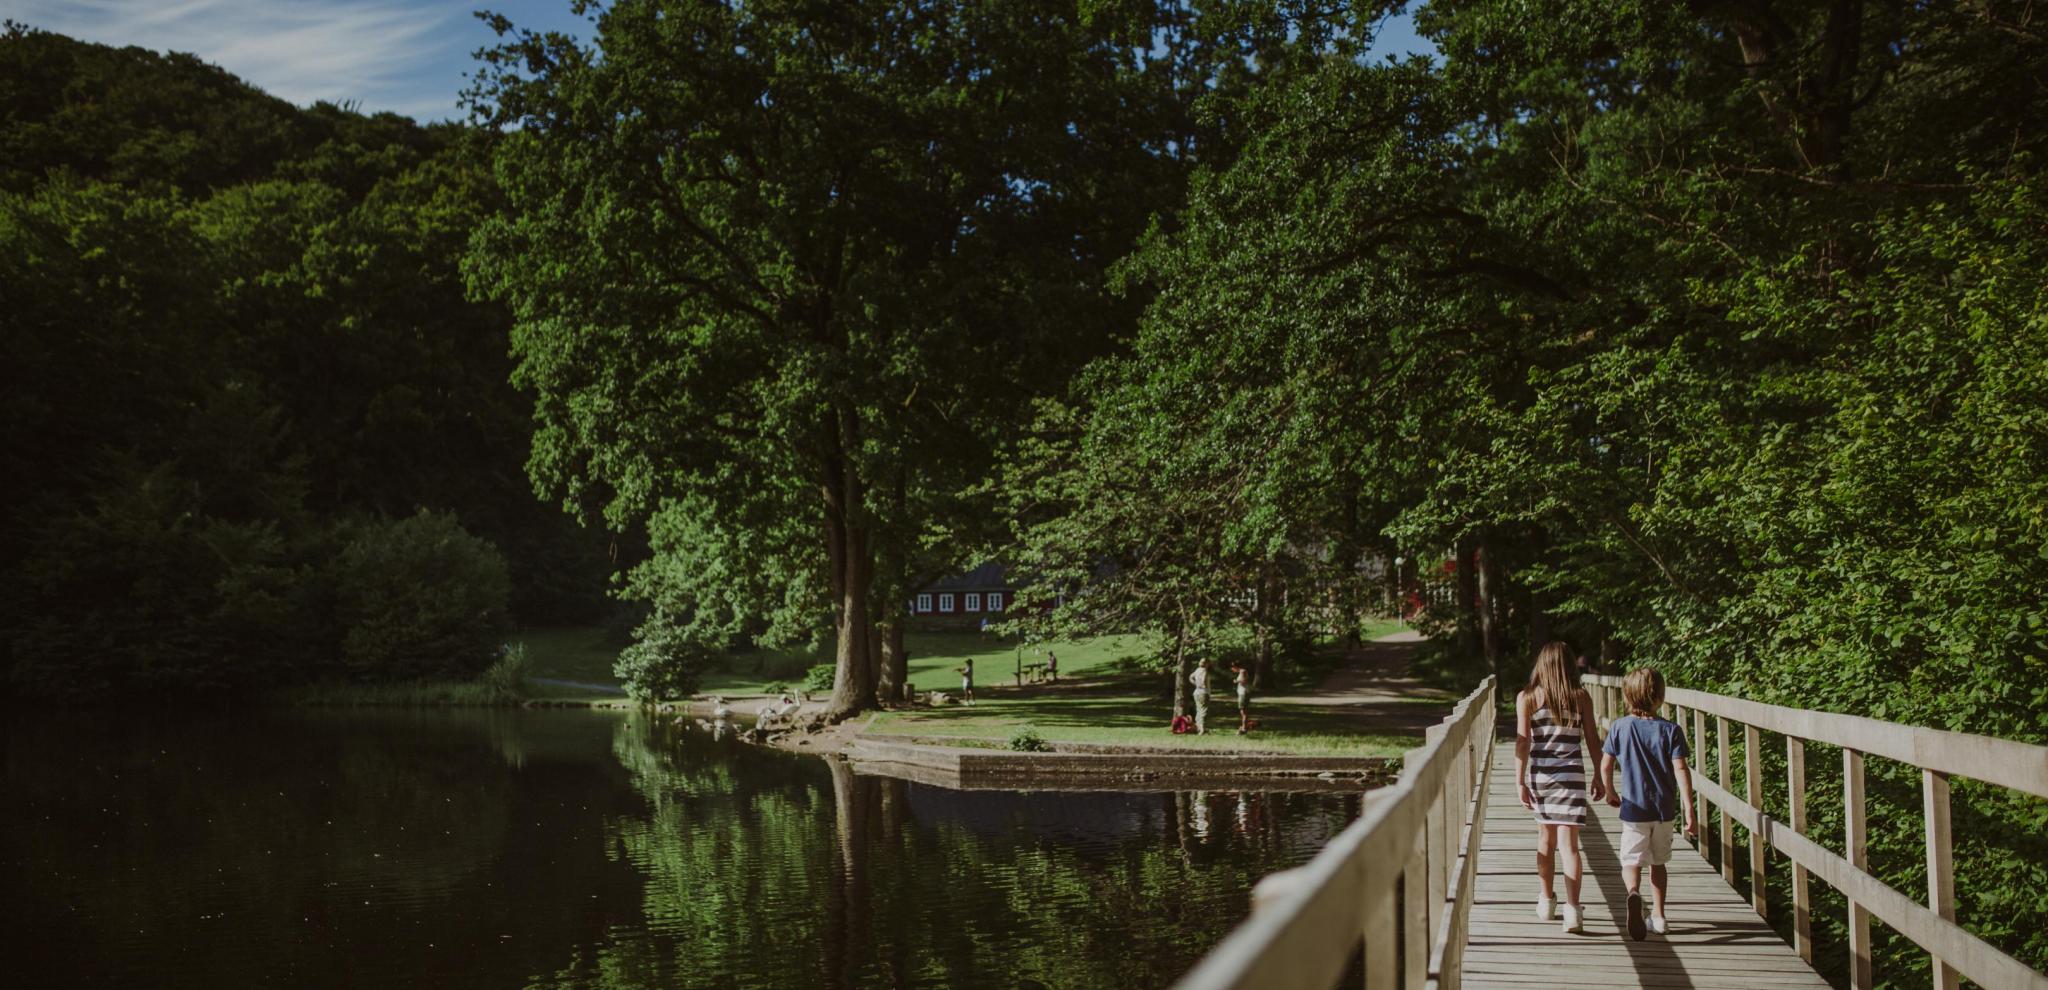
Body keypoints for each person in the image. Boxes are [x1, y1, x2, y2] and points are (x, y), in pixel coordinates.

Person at [1599, 667, 1698, 940]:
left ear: (1628, 696)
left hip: (1633, 809)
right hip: (1663, 811)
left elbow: (1605, 765)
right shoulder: (1671, 730)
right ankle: (1659, 916)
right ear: (1659, 697)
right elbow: (1681, 770)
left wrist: (1609, 791)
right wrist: (1689, 807)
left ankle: (1633, 894)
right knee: (1658, 863)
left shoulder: (1620, 727)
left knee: (1631, 861)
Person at [1516, 641, 1607, 934]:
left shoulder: (1527, 697)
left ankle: (1546, 900)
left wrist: (1520, 780)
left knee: (1546, 841)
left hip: (1542, 777)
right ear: (1569, 666)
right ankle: (1573, 910)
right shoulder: (1581, 697)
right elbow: (1593, 739)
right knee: (1570, 847)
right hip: (1572, 778)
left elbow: (1522, 742)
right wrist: (1599, 774)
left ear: (1541, 665)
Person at [1190, 659, 1212, 734]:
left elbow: (1190, 677)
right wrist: (1203, 685)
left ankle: (1198, 727)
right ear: (1206, 664)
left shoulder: (1197, 670)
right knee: (1203, 710)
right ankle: (1202, 729)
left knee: (1198, 710)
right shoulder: (1204, 671)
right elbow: (1203, 679)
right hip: (1204, 692)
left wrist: (1196, 684)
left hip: (1196, 692)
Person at [1232, 662, 1252, 734]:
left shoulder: (1243, 671)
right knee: (1243, 711)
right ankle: (1244, 726)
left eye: (1232, 668)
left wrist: (1236, 681)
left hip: (1244, 693)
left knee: (1243, 711)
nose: (1232, 670)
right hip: (1242, 693)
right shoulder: (1241, 672)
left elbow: (1244, 681)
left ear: (1235, 667)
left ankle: (1244, 728)